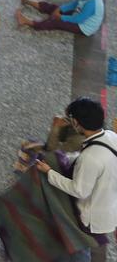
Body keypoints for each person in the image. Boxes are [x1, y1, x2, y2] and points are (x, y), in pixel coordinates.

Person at [36, 96, 117, 245]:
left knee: (80, 248)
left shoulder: (90, 157)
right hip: (109, 206)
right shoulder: (111, 136)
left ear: (76, 123)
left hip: (91, 217)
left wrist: (49, 172)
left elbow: (79, 190)